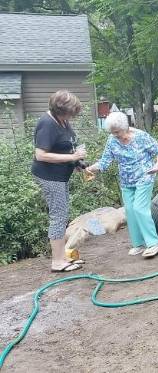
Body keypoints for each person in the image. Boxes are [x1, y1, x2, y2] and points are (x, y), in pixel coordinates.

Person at [85, 112, 158, 258]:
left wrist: (157, 164)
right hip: (126, 181)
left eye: (117, 132)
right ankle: (139, 244)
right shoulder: (112, 140)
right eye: (112, 132)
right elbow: (104, 162)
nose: (115, 135)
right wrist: (90, 168)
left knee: (140, 208)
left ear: (126, 127)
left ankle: (154, 243)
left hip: (144, 176)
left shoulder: (141, 136)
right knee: (130, 210)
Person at [32, 90, 87, 272]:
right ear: (59, 110)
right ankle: (57, 262)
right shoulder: (47, 124)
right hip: (49, 176)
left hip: (61, 175)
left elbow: (67, 147)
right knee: (58, 217)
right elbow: (40, 155)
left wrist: (77, 162)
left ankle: (63, 257)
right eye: (70, 113)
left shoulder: (62, 121)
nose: (71, 116)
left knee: (62, 215)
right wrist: (72, 157)